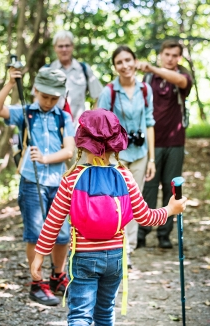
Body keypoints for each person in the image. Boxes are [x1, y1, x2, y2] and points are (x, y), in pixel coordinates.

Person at [30, 109, 187, 326]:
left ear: (82, 143)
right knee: (104, 312)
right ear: (115, 145)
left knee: (80, 316)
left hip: (83, 258)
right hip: (115, 258)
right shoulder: (125, 176)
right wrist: (170, 209)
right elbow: (146, 217)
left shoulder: (71, 180)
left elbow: (53, 222)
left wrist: (39, 257)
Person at [0, 67, 76, 306]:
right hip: (32, 182)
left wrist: (45, 158)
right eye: (45, 96)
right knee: (36, 234)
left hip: (58, 183)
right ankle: (37, 283)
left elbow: (69, 150)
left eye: (54, 97)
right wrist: (9, 84)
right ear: (36, 90)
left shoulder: (63, 117)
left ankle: (58, 276)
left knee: (61, 234)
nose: (49, 102)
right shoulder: (26, 113)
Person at [96, 45, 156, 259]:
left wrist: (152, 159)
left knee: (134, 200)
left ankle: (128, 249)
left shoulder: (145, 90)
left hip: (140, 153)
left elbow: (149, 123)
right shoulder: (109, 92)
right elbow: (99, 125)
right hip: (115, 155)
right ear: (115, 67)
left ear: (135, 61)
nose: (125, 66)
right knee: (115, 200)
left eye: (128, 60)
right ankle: (115, 246)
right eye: (119, 62)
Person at [136, 40, 193, 249]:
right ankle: (143, 231)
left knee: (172, 186)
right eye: (167, 54)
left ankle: (165, 233)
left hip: (175, 141)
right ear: (161, 54)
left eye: (174, 55)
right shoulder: (149, 78)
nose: (170, 58)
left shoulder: (182, 75)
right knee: (148, 186)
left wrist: (151, 67)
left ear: (179, 57)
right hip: (151, 141)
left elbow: (181, 81)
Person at [46, 30, 103, 126]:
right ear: (54, 48)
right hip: (52, 127)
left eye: (67, 45)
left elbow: (100, 95)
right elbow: (37, 99)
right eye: (60, 46)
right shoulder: (47, 70)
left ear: (72, 46)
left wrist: (91, 119)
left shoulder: (83, 69)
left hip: (78, 129)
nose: (64, 49)